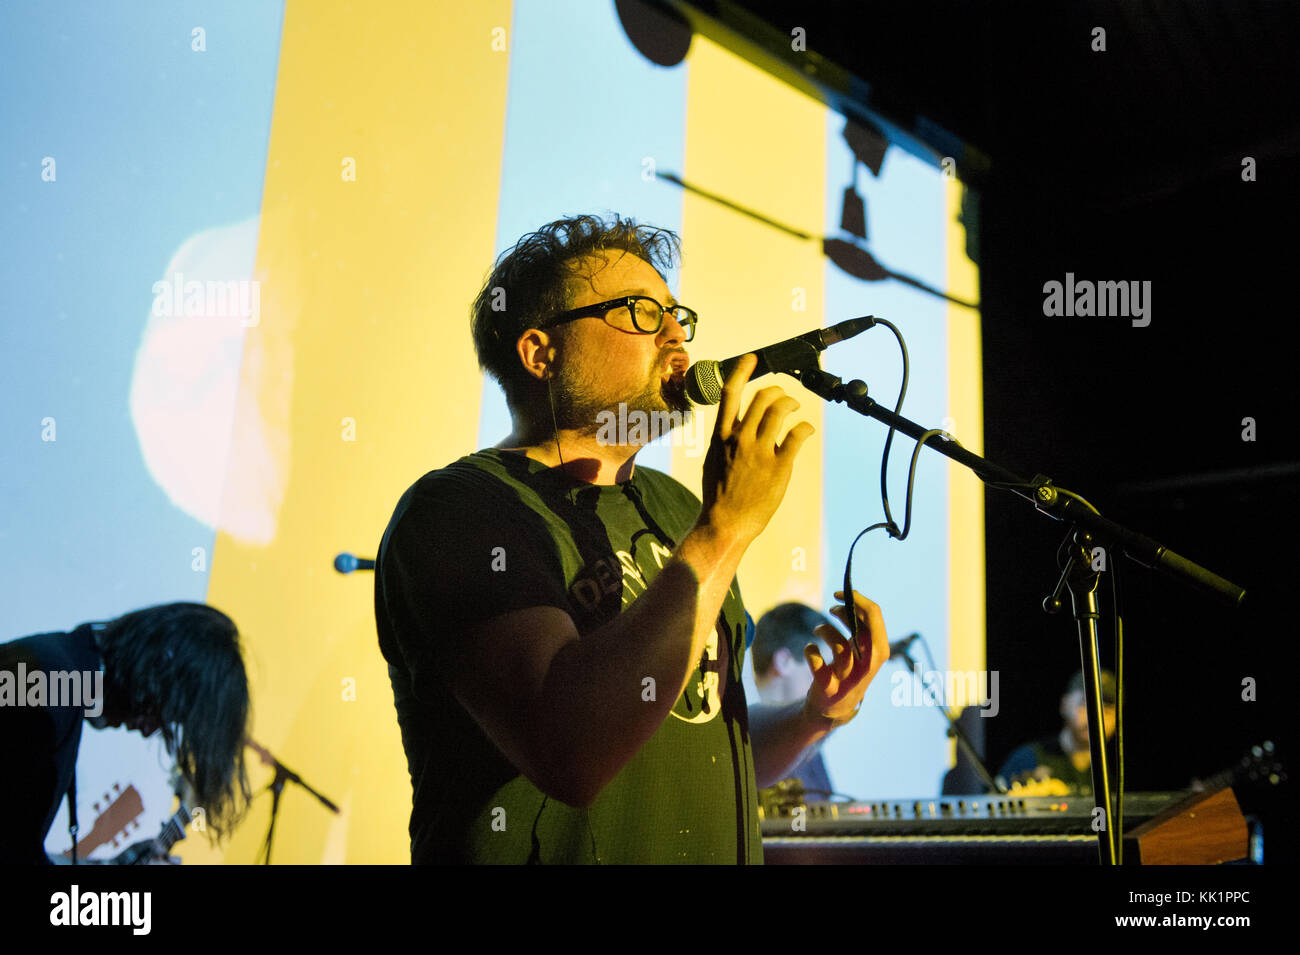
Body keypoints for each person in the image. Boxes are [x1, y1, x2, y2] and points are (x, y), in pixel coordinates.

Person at [374, 214, 891, 863]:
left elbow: (706, 747)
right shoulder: (460, 511)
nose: (677, 335)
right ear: (541, 352)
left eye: (679, 315)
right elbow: (571, 750)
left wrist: (812, 716)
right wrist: (724, 531)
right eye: (643, 313)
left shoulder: (677, 506)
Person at [0, 602, 252, 864]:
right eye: (162, 713)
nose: (148, 730)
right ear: (156, 671)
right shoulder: (48, 683)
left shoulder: (60, 676)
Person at [752, 603, 840, 797]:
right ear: (784, 662)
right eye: (824, 670)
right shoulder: (743, 737)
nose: (831, 685)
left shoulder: (810, 749)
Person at [997, 669, 1117, 794]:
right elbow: (993, 804)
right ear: (1064, 704)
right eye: (1086, 704)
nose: (1097, 716)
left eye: (1108, 710)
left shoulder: (1118, 770)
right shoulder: (1028, 759)